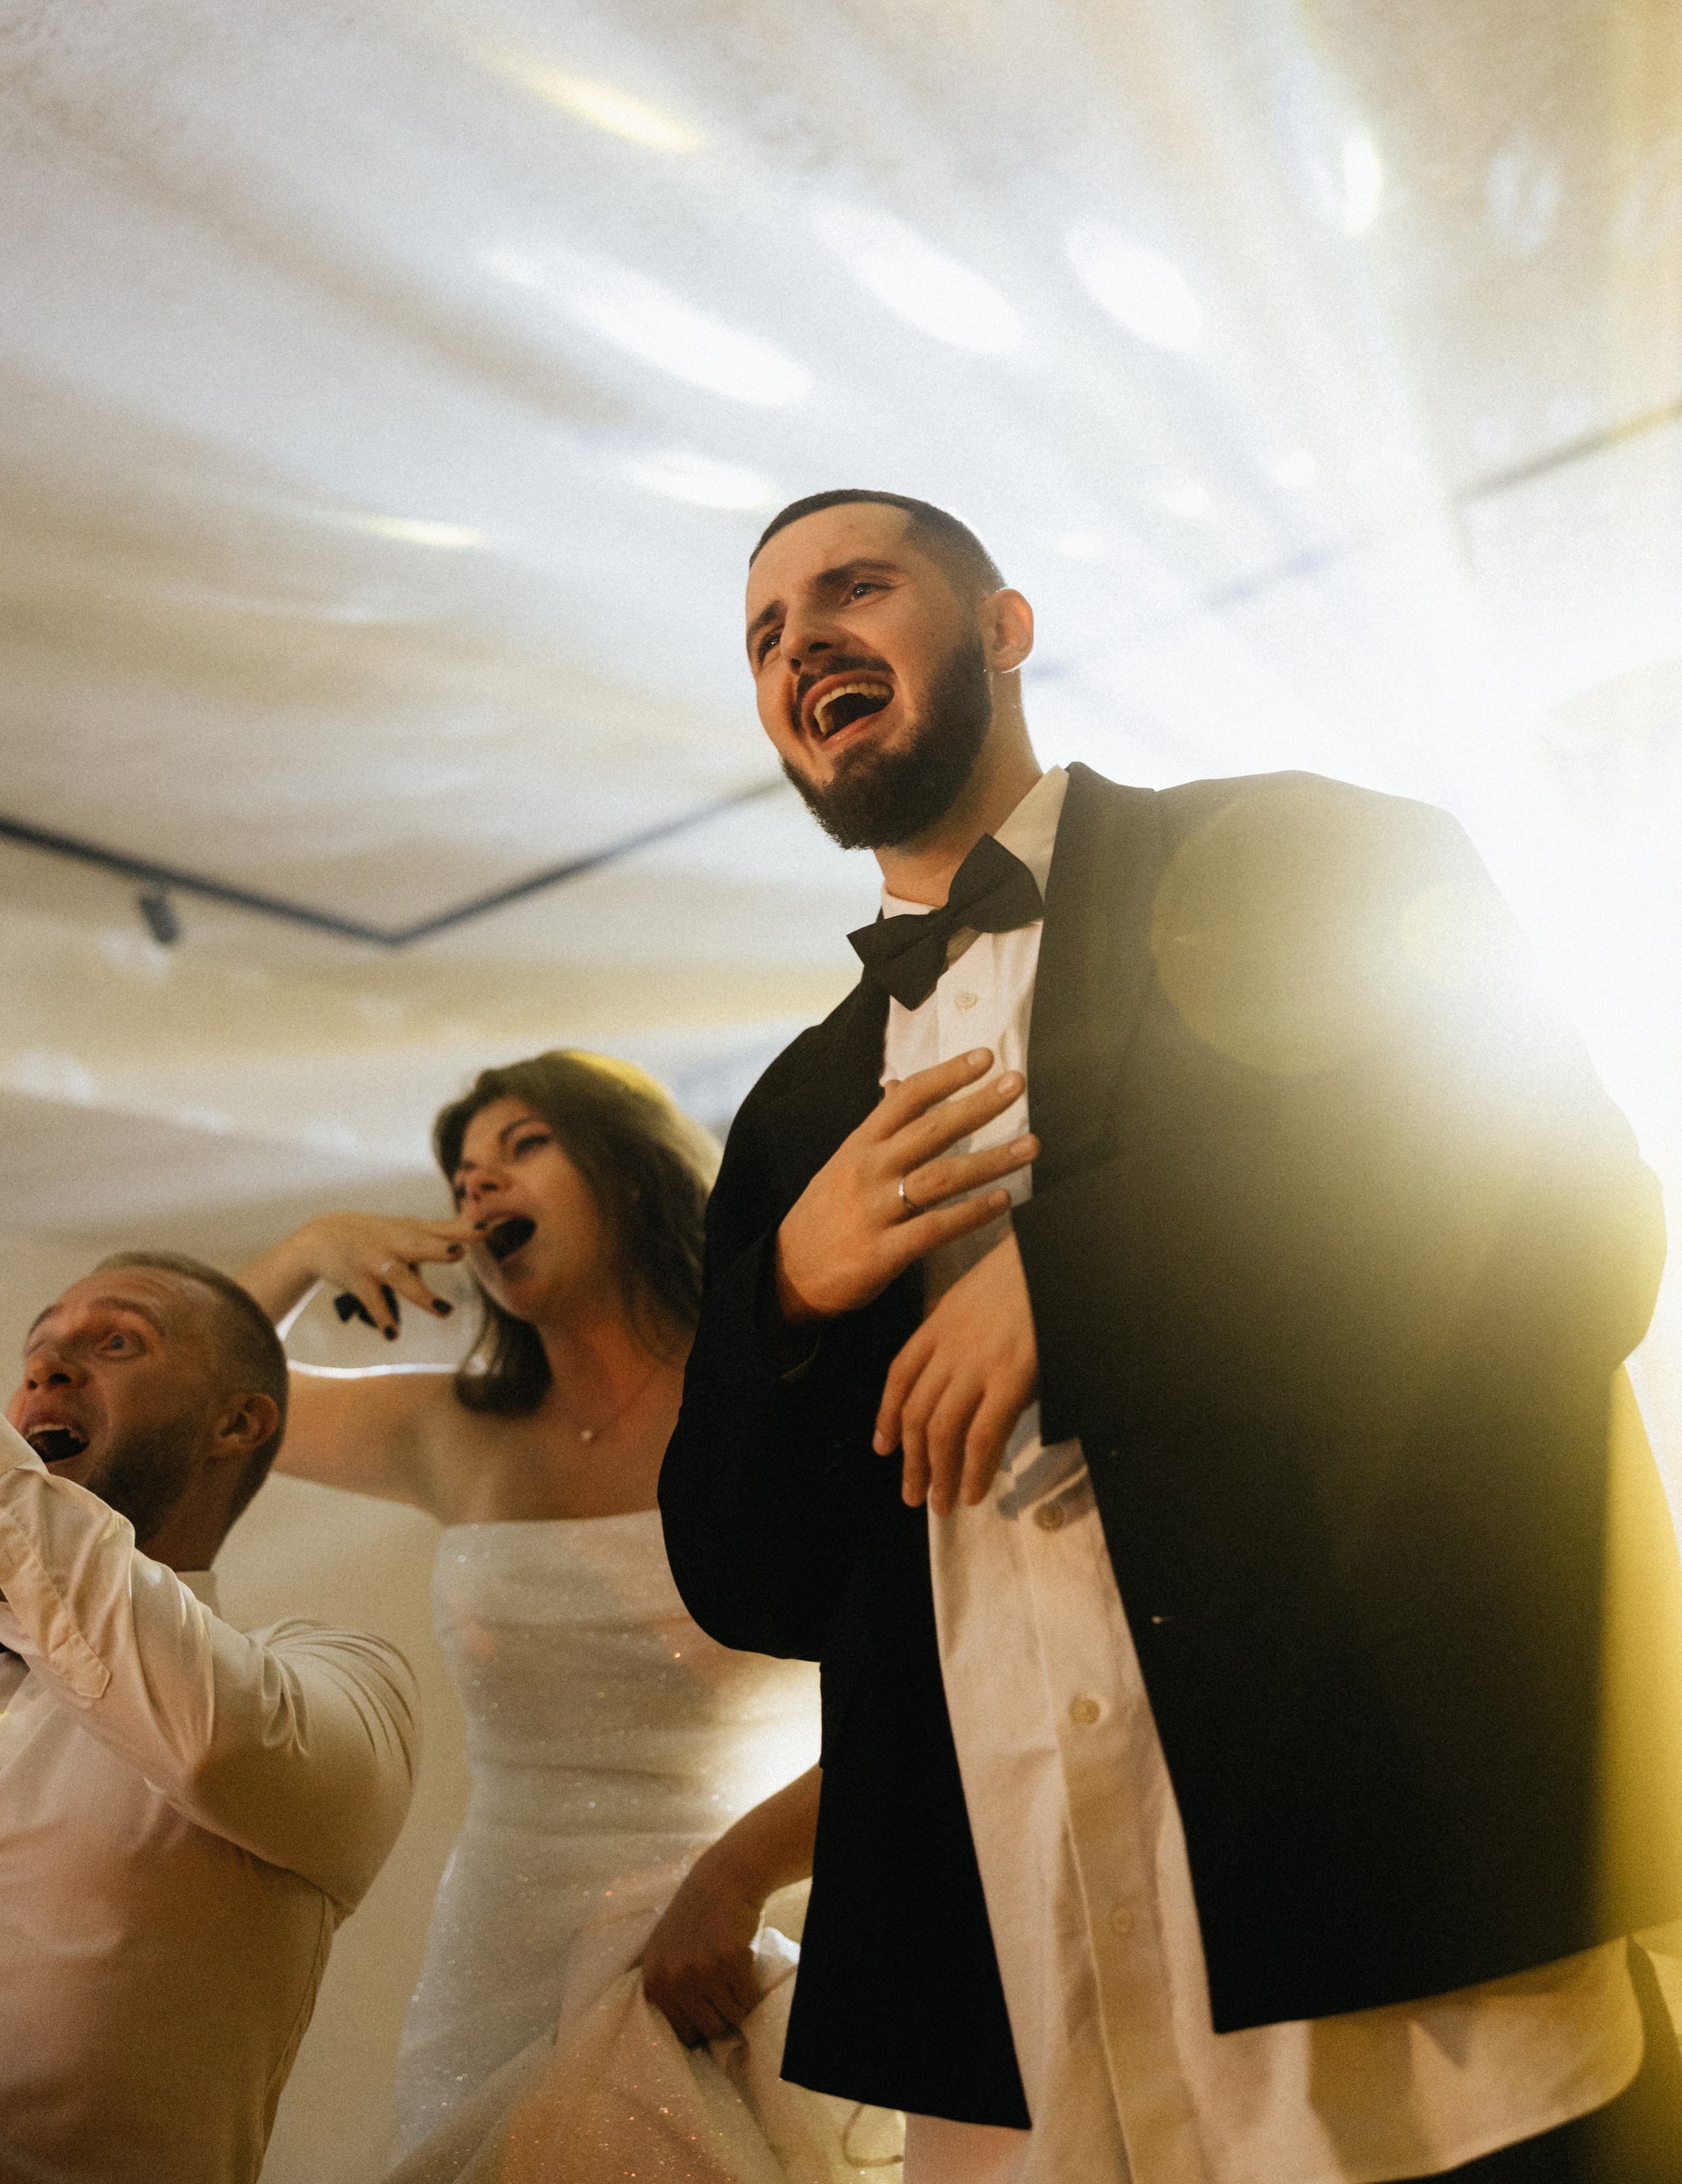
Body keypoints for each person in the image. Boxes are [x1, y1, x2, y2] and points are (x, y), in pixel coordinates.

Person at [659, 485, 1682, 2183]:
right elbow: (744, 1581)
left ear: (1003, 628)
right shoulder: (792, 1122)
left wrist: (1088, 1284)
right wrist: (789, 1296)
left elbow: (1570, 1238)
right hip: (1021, 2017)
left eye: (856, 590)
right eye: (766, 633)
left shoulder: (1304, 855)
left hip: (1401, 1949)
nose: (801, 644)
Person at [237, 1050, 846, 2173]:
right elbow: (197, 1397)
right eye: (463, 1177)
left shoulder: (781, 1392)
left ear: (627, 1173)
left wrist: (737, 1875)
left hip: (734, 1936)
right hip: (499, 1955)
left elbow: (917, 1685)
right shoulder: (446, 1428)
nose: (479, 1190)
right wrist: (303, 1252)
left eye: (523, 1148)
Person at [0, 1249, 419, 2184]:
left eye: (115, 1341)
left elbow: (215, 1750)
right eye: (36, 1351)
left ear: (237, 1422)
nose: (45, 1371)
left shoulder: (344, 1680)